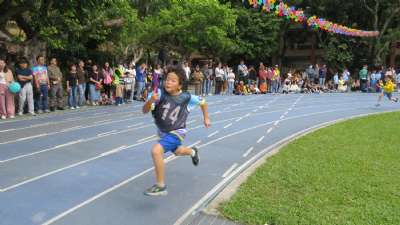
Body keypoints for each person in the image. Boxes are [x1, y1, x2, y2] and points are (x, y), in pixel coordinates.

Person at [142, 65, 210, 196]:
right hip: (163, 132)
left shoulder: (186, 97)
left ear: (180, 85)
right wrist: (151, 100)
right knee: (178, 151)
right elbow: (144, 111)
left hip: (178, 131)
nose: (168, 82)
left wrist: (206, 118)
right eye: (167, 79)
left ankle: (161, 186)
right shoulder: (158, 94)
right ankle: (192, 151)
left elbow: (203, 102)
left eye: (173, 80)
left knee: (156, 151)